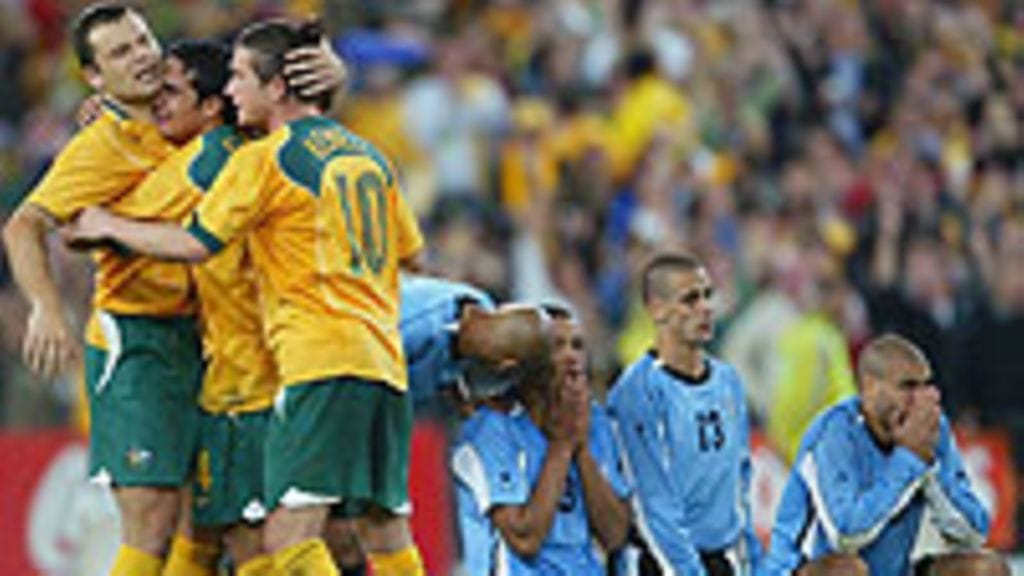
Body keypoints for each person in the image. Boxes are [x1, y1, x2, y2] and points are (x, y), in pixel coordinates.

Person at [64, 18, 427, 576]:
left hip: (307, 362)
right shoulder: (369, 154)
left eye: (238, 78)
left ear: (276, 86)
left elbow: (193, 241)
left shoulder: (259, 160)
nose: (231, 92)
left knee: (281, 538)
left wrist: (108, 225)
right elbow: (412, 256)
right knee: (382, 529)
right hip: (382, 361)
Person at [325, 275, 559, 575]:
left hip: (370, 424)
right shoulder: (405, 328)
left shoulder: (485, 330)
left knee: (360, 540)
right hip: (323, 400)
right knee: (336, 534)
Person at [761, 334, 1010, 576]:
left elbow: (975, 533)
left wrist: (929, 466)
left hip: (896, 569)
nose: (920, 400)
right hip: (808, 567)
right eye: (908, 386)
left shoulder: (930, 429)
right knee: (846, 571)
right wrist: (909, 460)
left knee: (986, 569)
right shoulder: (834, 433)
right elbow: (845, 535)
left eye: (926, 385)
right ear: (869, 387)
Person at [608, 252, 760, 575]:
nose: (705, 308)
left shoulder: (729, 382)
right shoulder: (637, 392)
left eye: (708, 296)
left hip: (721, 561)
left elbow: (740, 485)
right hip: (660, 563)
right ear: (656, 309)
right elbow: (654, 506)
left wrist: (754, 564)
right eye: (690, 300)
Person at [452, 302, 632, 574]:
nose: (571, 357)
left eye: (578, 345)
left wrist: (581, 450)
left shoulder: (596, 423)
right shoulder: (491, 431)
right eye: (557, 346)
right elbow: (525, 538)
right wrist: (561, 447)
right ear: (527, 359)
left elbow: (615, 535)